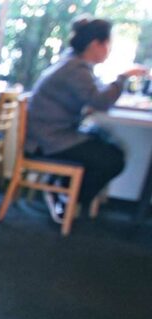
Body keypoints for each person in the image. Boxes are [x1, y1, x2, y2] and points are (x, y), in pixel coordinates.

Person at [25, 15, 148, 224]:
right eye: (108, 44)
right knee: (113, 159)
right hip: (48, 140)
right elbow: (100, 101)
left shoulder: (73, 64)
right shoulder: (75, 69)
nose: (108, 50)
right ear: (95, 44)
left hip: (49, 134)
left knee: (107, 144)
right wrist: (123, 77)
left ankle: (64, 190)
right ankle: (69, 198)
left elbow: (93, 97)